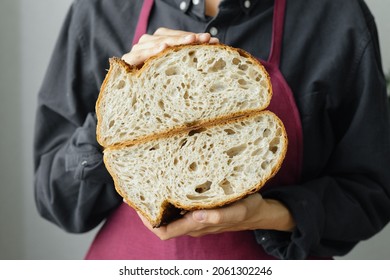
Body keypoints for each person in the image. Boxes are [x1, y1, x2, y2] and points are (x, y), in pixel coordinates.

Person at [34, 0, 390, 260]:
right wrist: (117, 111)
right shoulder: (102, 10)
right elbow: (56, 201)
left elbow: (371, 194)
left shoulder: (337, 16)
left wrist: (269, 214)